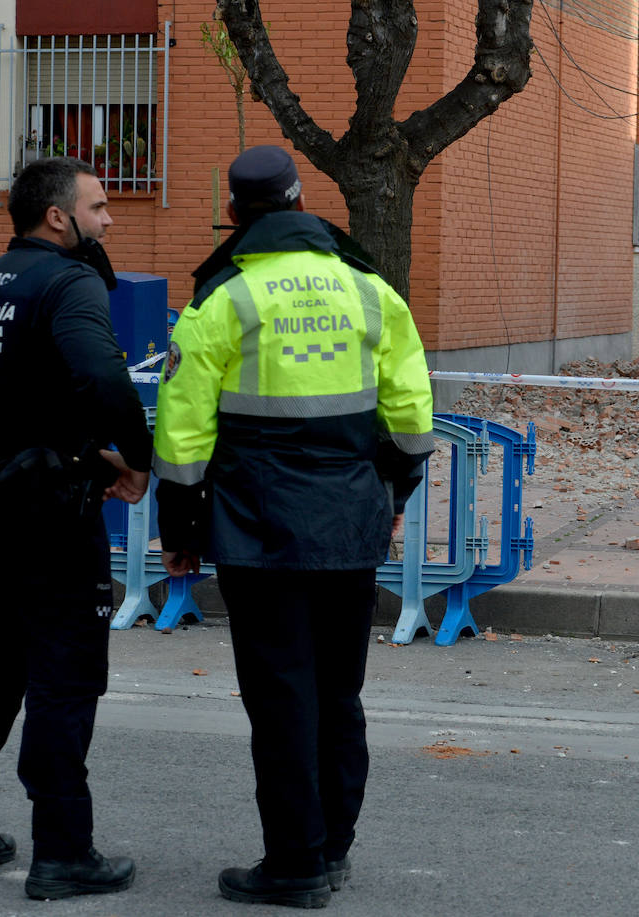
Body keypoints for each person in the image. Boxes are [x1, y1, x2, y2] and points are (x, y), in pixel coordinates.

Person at [153, 145, 434, 909]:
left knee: (282, 695)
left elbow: (181, 435)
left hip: (257, 524)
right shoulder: (372, 289)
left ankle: (294, 863)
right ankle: (332, 849)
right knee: (340, 693)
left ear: (237, 215)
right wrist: (391, 491)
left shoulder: (223, 297)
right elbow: (413, 420)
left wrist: (178, 527)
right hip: (349, 519)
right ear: (303, 200)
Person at [0, 156, 150, 901]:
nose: (108, 219)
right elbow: (105, 377)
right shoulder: (69, 282)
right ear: (58, 217)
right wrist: (135, 458)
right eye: (99, 206)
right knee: (65, 672)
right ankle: (64, 849)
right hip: (51, 505)